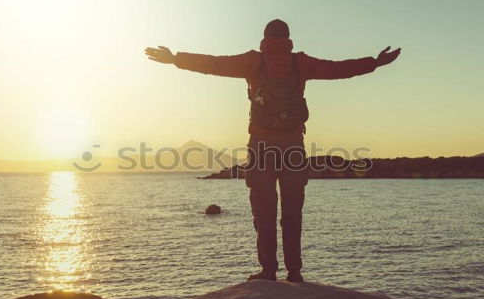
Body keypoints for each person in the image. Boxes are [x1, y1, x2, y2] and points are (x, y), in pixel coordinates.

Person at [145, 19, 400, 282]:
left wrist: (175, 58)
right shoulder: (300, 63)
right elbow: (339, 69)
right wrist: (375, 62)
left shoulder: (253, 62)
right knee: (292, 213)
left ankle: (268, 271)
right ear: (289, 38)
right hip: (293, 147)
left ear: (264, 38)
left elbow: (214, 64)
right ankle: (295, 272)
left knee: (263, 212)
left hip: (261, 145)